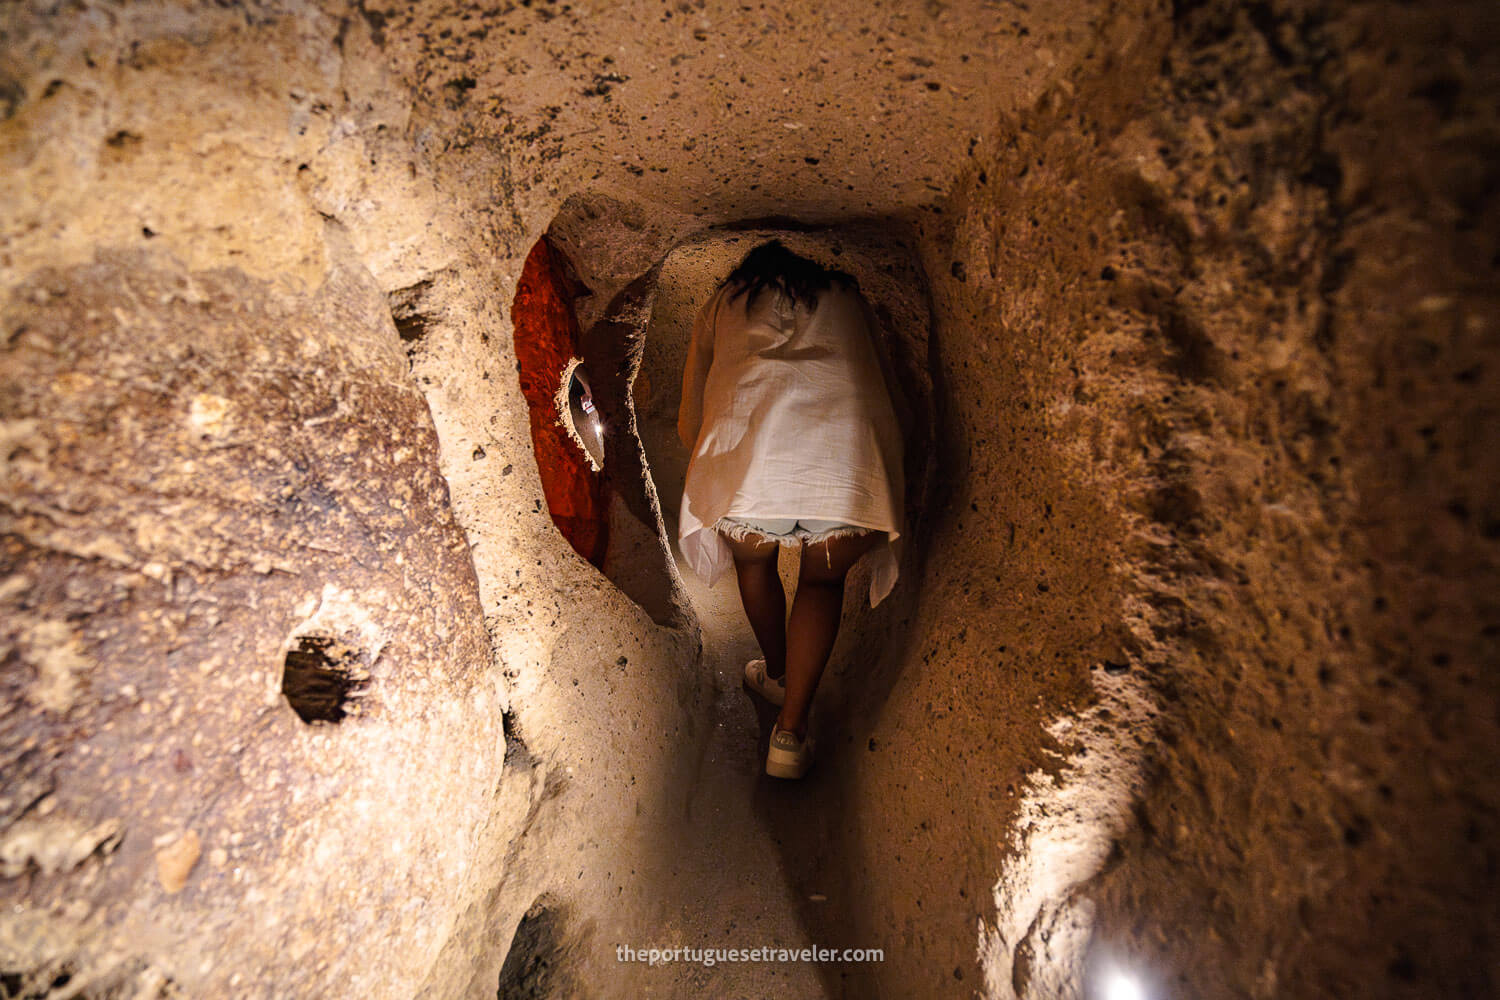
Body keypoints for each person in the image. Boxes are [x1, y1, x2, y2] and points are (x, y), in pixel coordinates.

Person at [677, 240, 904, 779]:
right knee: (821, 585)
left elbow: (694, 401)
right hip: (842, 468)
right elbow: (881, 382)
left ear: (749, 274)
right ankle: (790, 731)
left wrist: (704, 458)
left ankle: (776, 672)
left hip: (750, 469)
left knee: (754, 564)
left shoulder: (725, 301)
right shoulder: (846, 296)